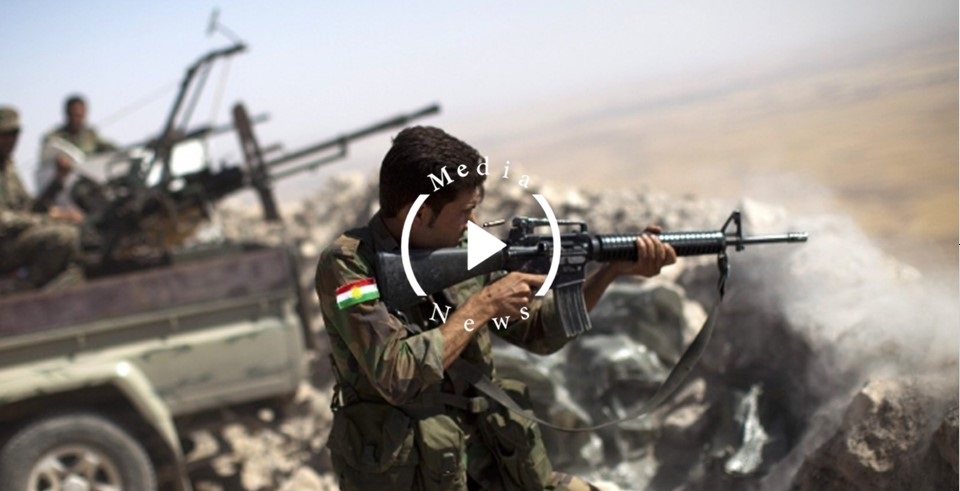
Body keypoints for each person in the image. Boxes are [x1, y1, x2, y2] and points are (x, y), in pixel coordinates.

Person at [315, 126, 676, 491]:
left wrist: (610, 271)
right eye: (465, 211)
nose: (473, 224)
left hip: (491, 458)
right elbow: (397, 375)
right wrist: (483, 305)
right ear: (420, 214)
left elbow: (538, 332)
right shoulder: (349, 266)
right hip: (413, 473)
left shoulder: (465, 246)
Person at [0, 106, 84, 293]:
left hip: (16, 239)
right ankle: (24, 292)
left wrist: (58, 180)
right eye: (4, 134)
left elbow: (29, 208)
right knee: (63, 237)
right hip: (4, 244)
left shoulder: (8, 167)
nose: (11, 140)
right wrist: (49, 218)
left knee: (82, 232)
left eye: (14, 133)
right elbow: (4, 220)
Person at [36, 95, 116, 203]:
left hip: (86, 187)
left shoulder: (91, 136)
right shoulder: (55, 136)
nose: (76, 117)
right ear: (67, 113)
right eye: (73, 113)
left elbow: (111, 149)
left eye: (79, 114)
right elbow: (47, 151)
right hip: (62, 188)